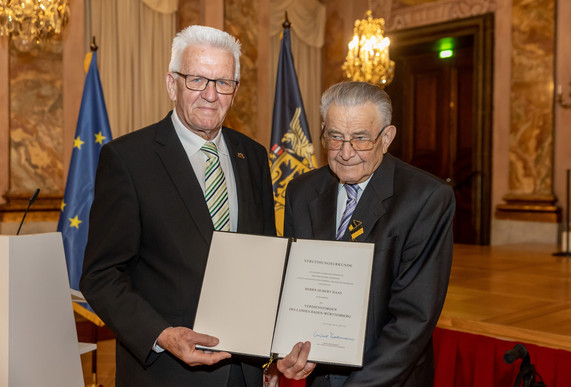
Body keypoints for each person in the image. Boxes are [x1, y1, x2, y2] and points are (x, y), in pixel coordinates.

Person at [80, 25, 276, 386]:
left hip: (244, 373)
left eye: (223, 82)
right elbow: (101, 276)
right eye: (197, 80)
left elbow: (264, 258)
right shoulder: (128, 159)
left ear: (235, 91)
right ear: (172, 84)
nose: (210, 95)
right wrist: (163, 335)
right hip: (166, 373)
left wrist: (272, 356)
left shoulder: (253, 156)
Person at [272, 81, 455, 386]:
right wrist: (282, 355)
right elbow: (292, 287)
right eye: (335, 136)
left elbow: (413, 319)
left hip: (389, 378)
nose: (345, 152)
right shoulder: (301, 192)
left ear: (386, 138)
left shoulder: (426, 199)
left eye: (360, 139)